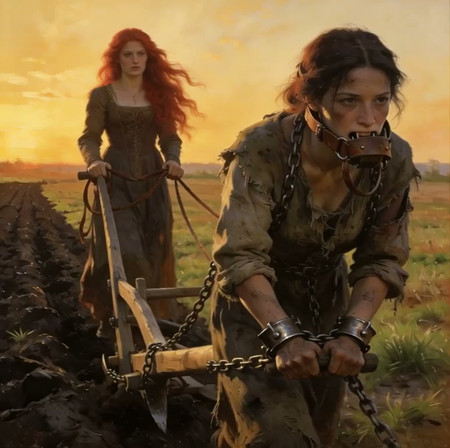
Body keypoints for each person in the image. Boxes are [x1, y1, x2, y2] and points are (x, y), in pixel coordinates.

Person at [209, 27, 419, 447]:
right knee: (275, 435)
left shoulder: (394, 157)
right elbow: (241, 256)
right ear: (312, 98)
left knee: (320, 434)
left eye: (380, 101)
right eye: (349, 101)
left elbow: (383, 257)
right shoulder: (261, 148)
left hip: (329, 300)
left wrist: (352, 332)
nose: (369, 118)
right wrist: (283, 335)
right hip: (252, 307)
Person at [78, 28, 201, 338]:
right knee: (127, 251)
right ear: (117, 59)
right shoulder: (102, 96)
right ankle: (118, 314)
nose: (135, 60)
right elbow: (89, 138)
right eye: (128, 54)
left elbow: (170, 139)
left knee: (154, 251)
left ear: (149, 58)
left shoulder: (158, 95)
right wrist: (94, 162)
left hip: (152, 180)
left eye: (140, 54)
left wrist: (173, 160)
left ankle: (148, 320)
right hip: (114, 178)